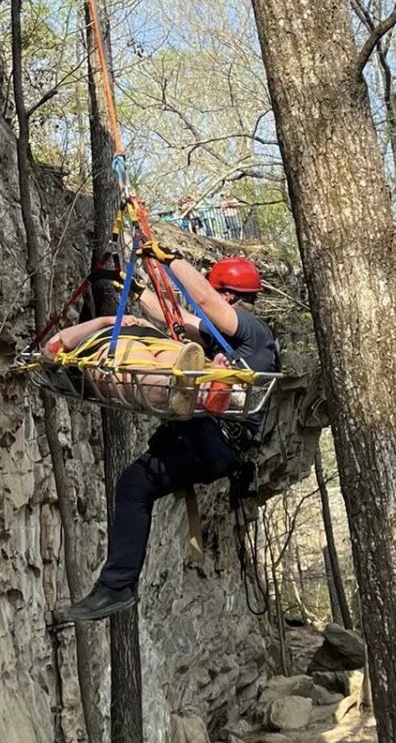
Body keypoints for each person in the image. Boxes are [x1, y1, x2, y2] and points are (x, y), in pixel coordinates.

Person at [53, 255, 279, 624]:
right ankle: (116, 587)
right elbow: (175, 317)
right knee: (135, 485)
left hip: (213, 436)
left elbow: (203, 300)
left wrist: (168, 258)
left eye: (218, 296)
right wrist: (132, 287)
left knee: (134, 485)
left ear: (228, 296)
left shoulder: (252, 331)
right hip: (214, 443)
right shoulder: (228, 339)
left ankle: (117, 587)